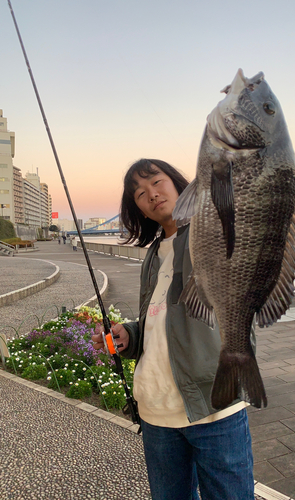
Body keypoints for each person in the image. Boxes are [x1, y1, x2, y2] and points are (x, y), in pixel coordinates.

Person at [92, 159, 255, 500]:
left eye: (156, 181)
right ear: (137, 208)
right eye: (139, 193)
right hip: (156, 413)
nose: (151, 194)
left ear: (179, 183)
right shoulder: (153, 256)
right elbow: (160, 320)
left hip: (214, 407)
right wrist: (131, 335)